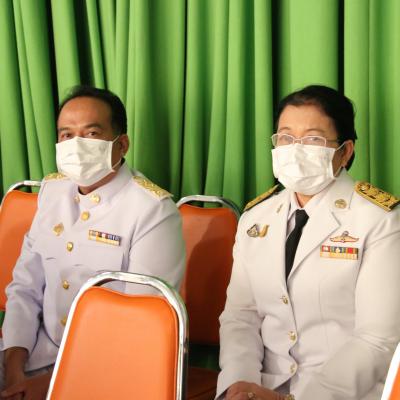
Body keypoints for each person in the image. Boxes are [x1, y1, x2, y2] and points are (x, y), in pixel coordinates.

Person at [0, 86, 185, 399]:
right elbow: (25, 287)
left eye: (91, 133)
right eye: (66, 135)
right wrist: (13, 362)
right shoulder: (52, 192)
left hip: (107, 368)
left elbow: (139, 326)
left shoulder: (152, 209)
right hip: (37, 353)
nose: (76, 145)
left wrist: (55, 385)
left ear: (121, 144)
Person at [216, 85, 400, 400]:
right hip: (260, 388)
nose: (296, 150)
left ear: (345, 151)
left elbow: (377, 339)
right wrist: (239, 385)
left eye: (313, 139)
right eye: (286, 138)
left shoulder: (380, 220)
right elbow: (241, 315)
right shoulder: (255, 219)